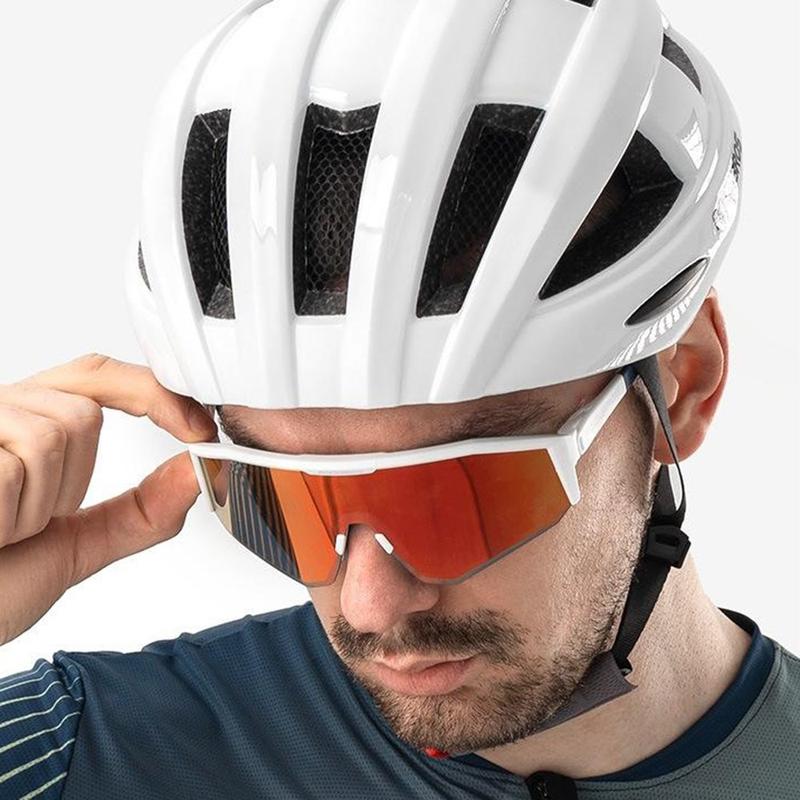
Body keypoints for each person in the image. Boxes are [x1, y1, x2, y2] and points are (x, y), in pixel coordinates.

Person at [0, 0, 797, 798]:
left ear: (682, 386)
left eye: (456, 495)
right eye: (282, 500)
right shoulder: (83, 750)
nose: (370, 605)